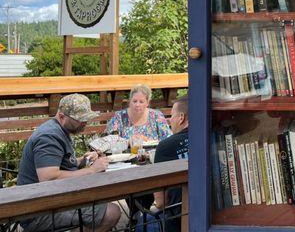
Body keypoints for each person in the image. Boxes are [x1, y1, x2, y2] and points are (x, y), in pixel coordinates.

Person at [17, 93, 121, 232]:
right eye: (80, 120)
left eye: (86, 118)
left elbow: (60, 164)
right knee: (112, 212)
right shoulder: (49, 137)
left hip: (50, 200)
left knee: (100, 200)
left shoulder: (59, 129)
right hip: (39, 211)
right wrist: (92, 170)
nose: (85, 123)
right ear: (61, 116)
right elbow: (48, 178)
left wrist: (83, 160)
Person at [137, 97, 188, 232]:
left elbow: (161, 202)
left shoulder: (165, 146)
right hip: (213, 210)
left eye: (172, 116)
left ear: (181, 117)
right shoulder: (212, 137)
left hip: (180, 217)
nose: (170, 120)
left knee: (144, 222)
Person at [105, 84, 172, 141]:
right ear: (130, 101)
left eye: (141, 102)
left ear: (147, 103)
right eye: (134, 101)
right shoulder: (119, 117)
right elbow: (108, 140)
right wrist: (128, 141)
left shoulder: (156, 116)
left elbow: (168, 139)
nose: (137, 105)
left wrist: (147, 140)